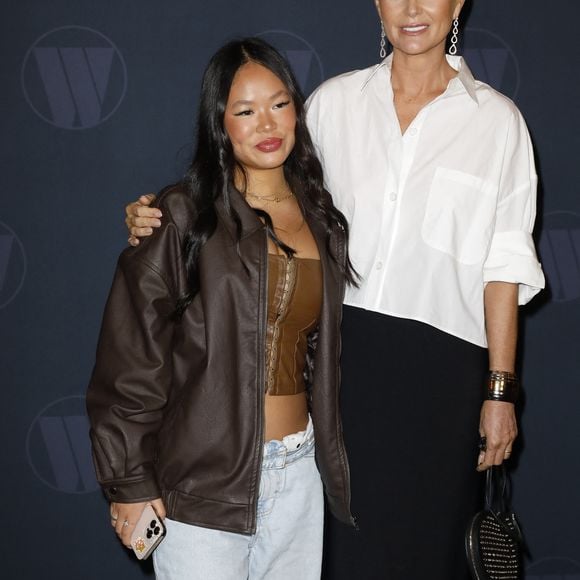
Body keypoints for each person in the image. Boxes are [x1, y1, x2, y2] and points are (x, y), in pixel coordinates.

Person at [123, 1, 545, 577]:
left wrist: (500, 390)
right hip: (342, 371)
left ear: (460, 3)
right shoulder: (332, 104)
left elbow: (504, 265)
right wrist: (166, 213)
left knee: (429, 552)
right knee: (344, 553)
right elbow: (261, 190)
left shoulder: (498, 122)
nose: (412, 8)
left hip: (446, 380)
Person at [86, 37, 358, 580]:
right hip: (202, 483)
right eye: (246, 111)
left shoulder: (322, 220)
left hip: (299, 477)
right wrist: (129, 483)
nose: (267, 124)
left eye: (279, 104)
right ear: (220, 122)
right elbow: (131, 360)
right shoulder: (181, 216)